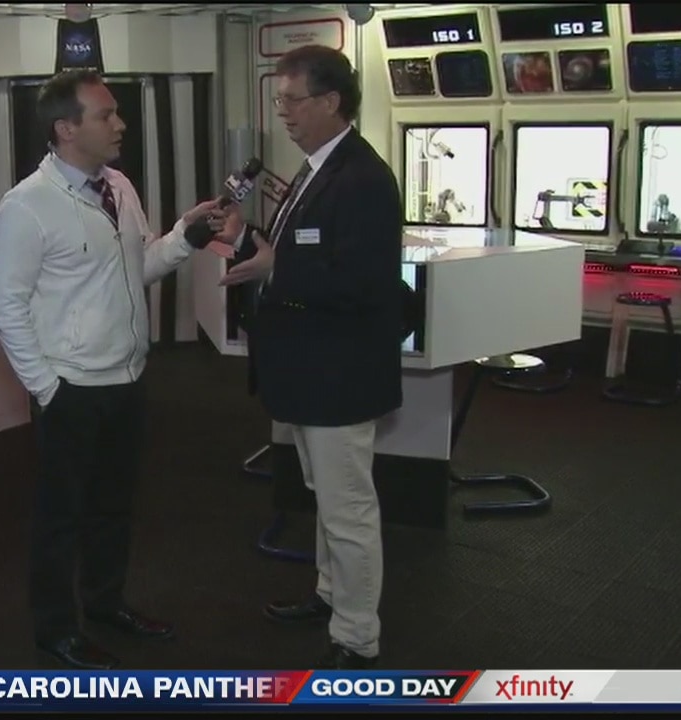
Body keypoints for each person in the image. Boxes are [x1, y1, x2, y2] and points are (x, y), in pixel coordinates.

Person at [0, 69, 224, 670]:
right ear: (66, 129)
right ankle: (55, 632)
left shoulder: (117, 185)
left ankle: (105, 603)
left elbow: (136, 266)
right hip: (71, 389)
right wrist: (49, 390)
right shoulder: (26, 207)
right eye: (105, 115)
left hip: (128, 380)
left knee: (114, 508)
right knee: (60, 520)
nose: (120, 124)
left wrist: (186, 236)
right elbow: (5, 311)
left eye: (116, 112)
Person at [218, 44, 404, 669]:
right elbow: (296, 252)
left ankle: (357, 636)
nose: (283, 113)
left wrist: (275, 266)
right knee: (327, 498)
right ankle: (331, 596)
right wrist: (244, 239)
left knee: (348, 509)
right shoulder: (315, 169)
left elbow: (360, 282)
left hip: (339, 376)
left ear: (330, 101)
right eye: (280, 101)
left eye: (292, 101)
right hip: (307, 372)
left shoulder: (364, 179)